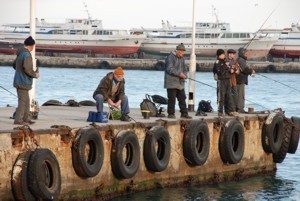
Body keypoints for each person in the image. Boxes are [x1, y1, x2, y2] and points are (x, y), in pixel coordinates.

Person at [13, 36, 40, 125]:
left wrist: (19, 70)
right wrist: (35, 74)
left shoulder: (20, 53)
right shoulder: (27, 55)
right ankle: (18, 120)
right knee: (23, 102)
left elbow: (14, 65)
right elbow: (27, 69)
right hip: (23, 82)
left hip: (19, 81)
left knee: (26, 101)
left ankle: (26, 118)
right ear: (32, 45)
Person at [164, 43, 192, 119]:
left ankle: (184, 113)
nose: (181, 53)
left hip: (180, 83)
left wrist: (185, 75)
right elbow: (169, 69)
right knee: (172, 99)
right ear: (176, 50)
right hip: (171, 83)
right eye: (180, 51)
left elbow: (185, 69)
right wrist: (180, 74)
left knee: (182, 98)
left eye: (182, 52)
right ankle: (171, 114)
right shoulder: (171, 57)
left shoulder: (182, 58)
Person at [214, 49, 238, 117]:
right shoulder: (217, 62)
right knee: (221, 97)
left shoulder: (225, 61)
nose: (224, 55)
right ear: (219, 55)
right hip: (222, 81)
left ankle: (229, 111)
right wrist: (226, 67)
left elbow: (230, 67)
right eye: (222, 54)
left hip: (228, 80)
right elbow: (219, 71)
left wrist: (232, 69)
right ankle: (220, 112)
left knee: (229, 96)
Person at [236, 47, 255, 113]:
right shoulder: (241, 60)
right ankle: (240, 109)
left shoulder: (239, 59)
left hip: (239, 80)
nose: (247, 54)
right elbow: (244, 70)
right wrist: (251, 71)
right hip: (240, 80)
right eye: (245, 53)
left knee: (238, 94)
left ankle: (238, 108)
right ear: (242, 53)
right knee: (241, 95)